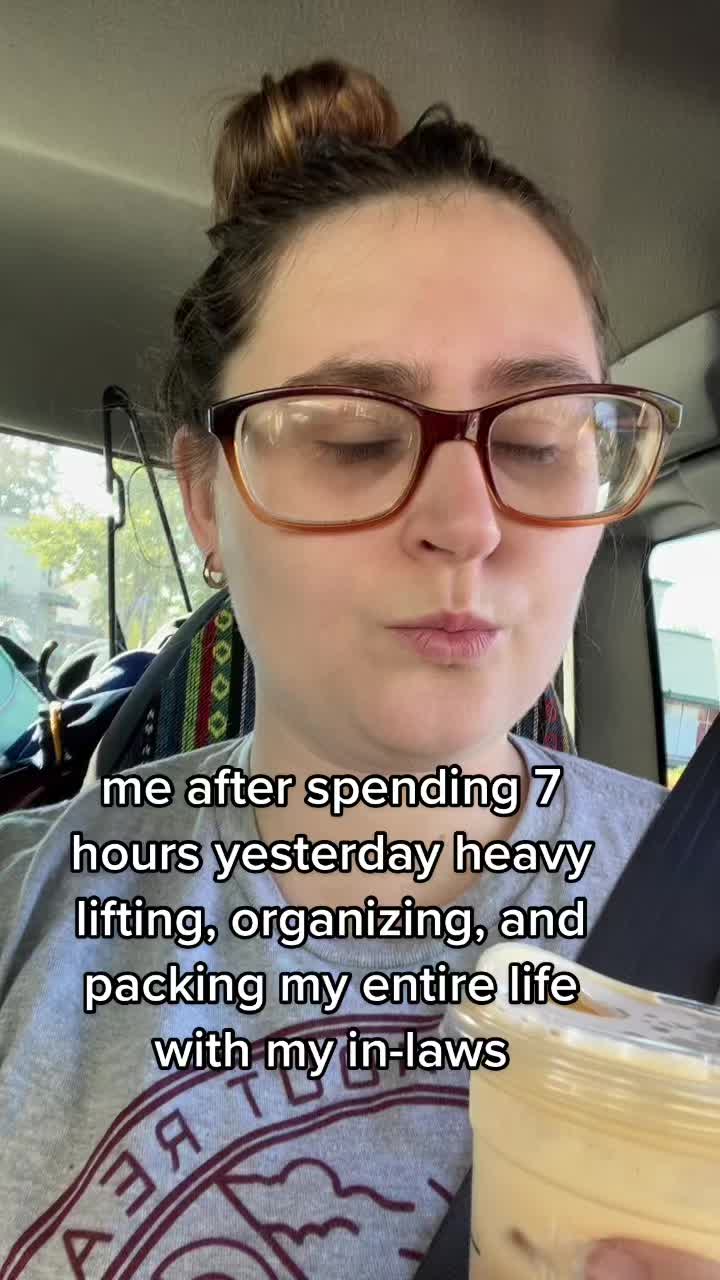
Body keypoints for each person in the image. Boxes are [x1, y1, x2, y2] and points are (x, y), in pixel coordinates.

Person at [0, 58, 714, 1280]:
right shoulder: (25, 908)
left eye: (537, 441)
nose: (469, 522)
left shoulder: (700, 901)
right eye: (354, 437)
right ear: (208, 499)